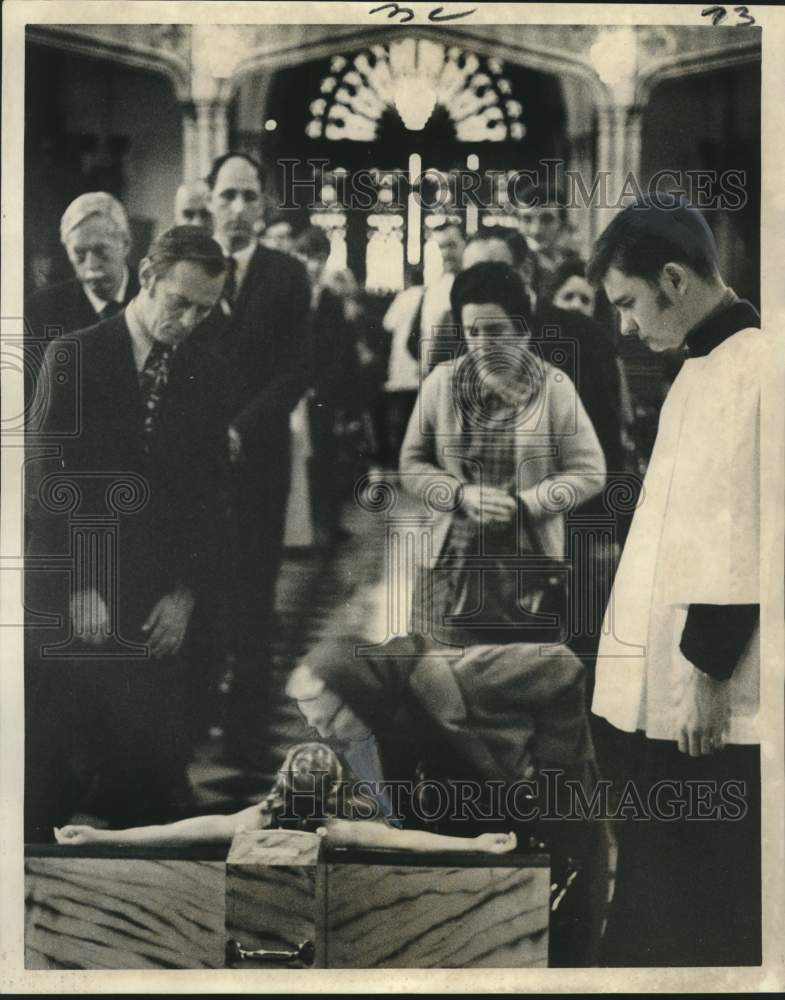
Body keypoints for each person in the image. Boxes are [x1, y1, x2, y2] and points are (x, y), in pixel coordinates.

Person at [588, 194, 763, 966]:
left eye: (628, 303)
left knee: (696, 883)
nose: (626, 324)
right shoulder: (706, 362)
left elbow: (744, 529)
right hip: (672, 677)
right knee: (662, 868)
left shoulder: (750, 368)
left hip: (704, 690)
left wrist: (708, 672)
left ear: (673, 278)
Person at [24, 226, 230, 841]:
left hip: (152, 602)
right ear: (147, 278)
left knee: (143, 786)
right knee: (48, 780)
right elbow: (48, 484)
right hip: (72, 591)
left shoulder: (206, 371)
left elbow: (211, 499)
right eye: (180, 303)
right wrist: (82, 586)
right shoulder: (75, 354)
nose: (189, 320)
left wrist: (186, 594)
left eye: (203, 310)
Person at [284, 633, 610, 967]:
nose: (324, 734)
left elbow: (561, 666)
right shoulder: (380, 721)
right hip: (489, 833)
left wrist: (553, 774)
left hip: (560, 821)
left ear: (360, 693)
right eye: (314, 725)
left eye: (329, 721)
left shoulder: (461, 677)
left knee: (561, 954)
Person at [399, 261, 605, 646]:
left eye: (495, 331)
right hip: (450, 563)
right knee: (441, 681)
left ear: (523, 332)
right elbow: (411, 464)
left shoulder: (554, 388)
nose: (481, 344)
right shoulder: (442, 383)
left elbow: (590, 472)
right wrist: (458, 494)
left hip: (529, 566)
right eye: (471, 331)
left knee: (517, 682)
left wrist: (526, 504)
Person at [196, 152, 312, 766]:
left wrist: (242, 429)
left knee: (254, 589)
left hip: (260, 457)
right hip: (193, 462)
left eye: (248, 196)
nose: (237, 209)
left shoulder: (286, 275)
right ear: (211, 200)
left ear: (263, 206)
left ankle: (244, 728)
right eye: (228, 196)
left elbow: (296, 368)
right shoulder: (190, 268)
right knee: (197, 584)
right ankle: (190, 718)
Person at [53, 740, 517, 856]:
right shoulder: (337, 829)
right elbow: (411, 842)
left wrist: (100, 836)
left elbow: (174, 832)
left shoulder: (255, 820)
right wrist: (473, 845)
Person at [24, 192, 138, 397]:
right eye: (79, 254)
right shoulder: (39, 309)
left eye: (101, 250)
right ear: (67, 251)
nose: (92, 265)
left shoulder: (152, 295)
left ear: (126, 244)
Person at [380, 221, 466, 464]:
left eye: (452, 245)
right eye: (441, 247)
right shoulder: (434, 290)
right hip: (435, 377)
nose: (447, 253)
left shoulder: (470, 285)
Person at [293, 225, 357, 545]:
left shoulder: (331, 300)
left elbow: (340, 350)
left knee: (325, 454)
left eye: (319, 258)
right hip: (294, 390)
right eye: (306, 257)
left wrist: (324, 387)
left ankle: (327, 522)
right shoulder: (289, 295)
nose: (312, 265)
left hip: (322, 391)